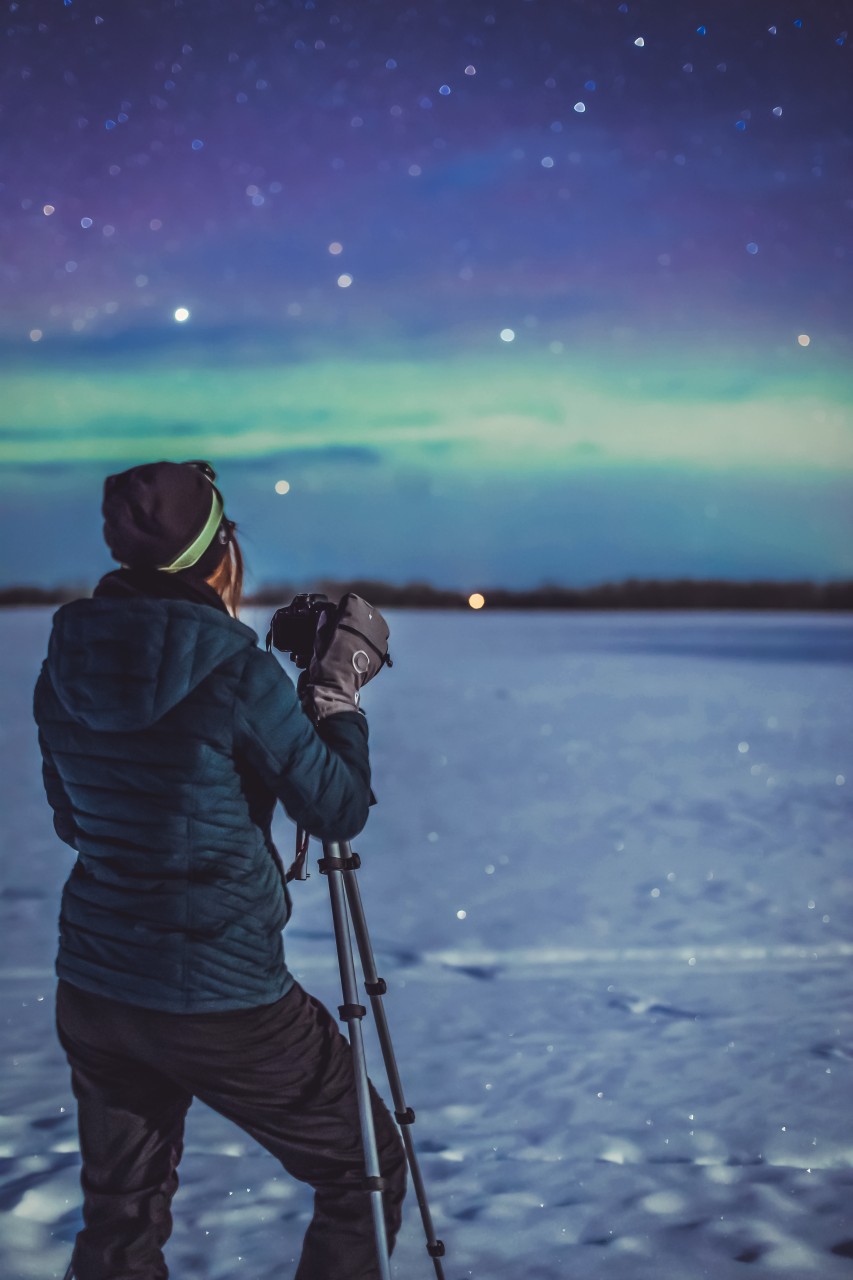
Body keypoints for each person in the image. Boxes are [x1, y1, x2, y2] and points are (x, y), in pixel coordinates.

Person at [32, 459, 406, 1280]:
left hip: (98, 987)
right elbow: (334, 807)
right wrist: (336, 696)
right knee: (366, 1168)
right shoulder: (236, 668)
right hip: (220, 995)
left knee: (121, 1219)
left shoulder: (67, 655)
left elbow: (71, 817)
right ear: (217, 553)